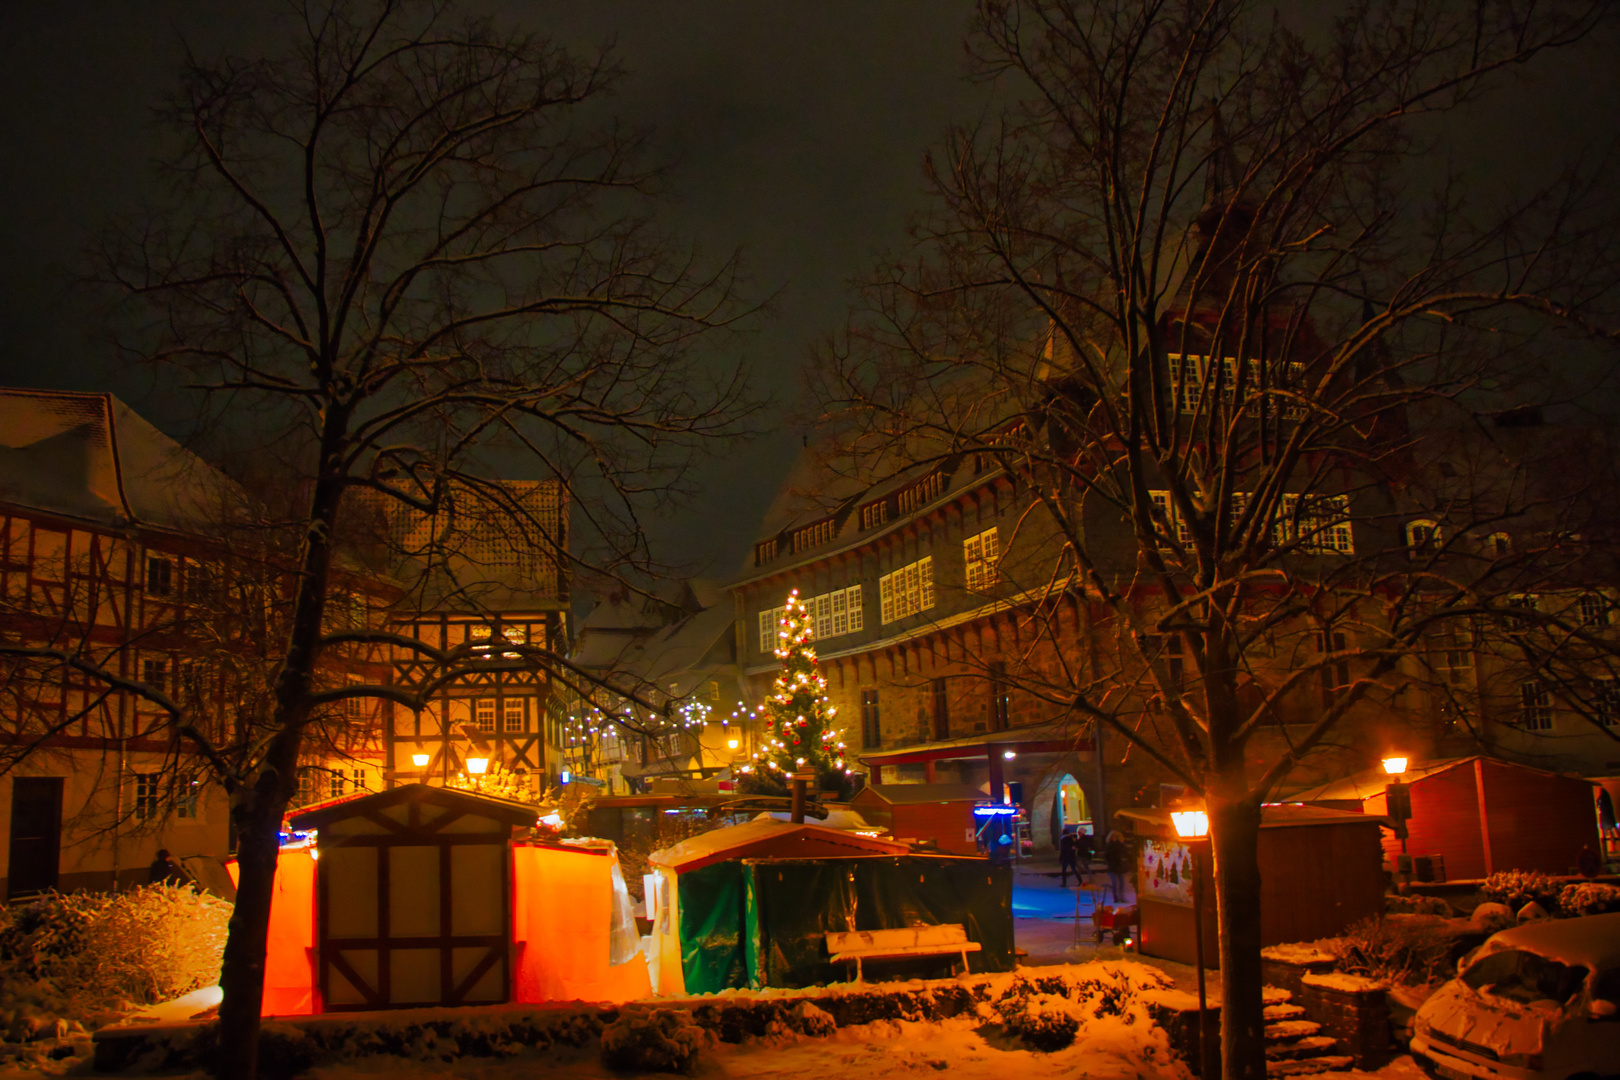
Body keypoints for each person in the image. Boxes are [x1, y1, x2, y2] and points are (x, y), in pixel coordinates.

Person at [1103, 830, 1130, 904]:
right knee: (1114, 883)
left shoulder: (1119, 845)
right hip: (1112, 866)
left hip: (1118, 866)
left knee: (1121, 882)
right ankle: (1115, 897)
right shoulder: (1109, 846)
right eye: (1113, 837)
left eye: (1115, 837)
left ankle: (1121, 897)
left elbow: (1124, 852)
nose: (1114, 838)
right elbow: (1107, 856)